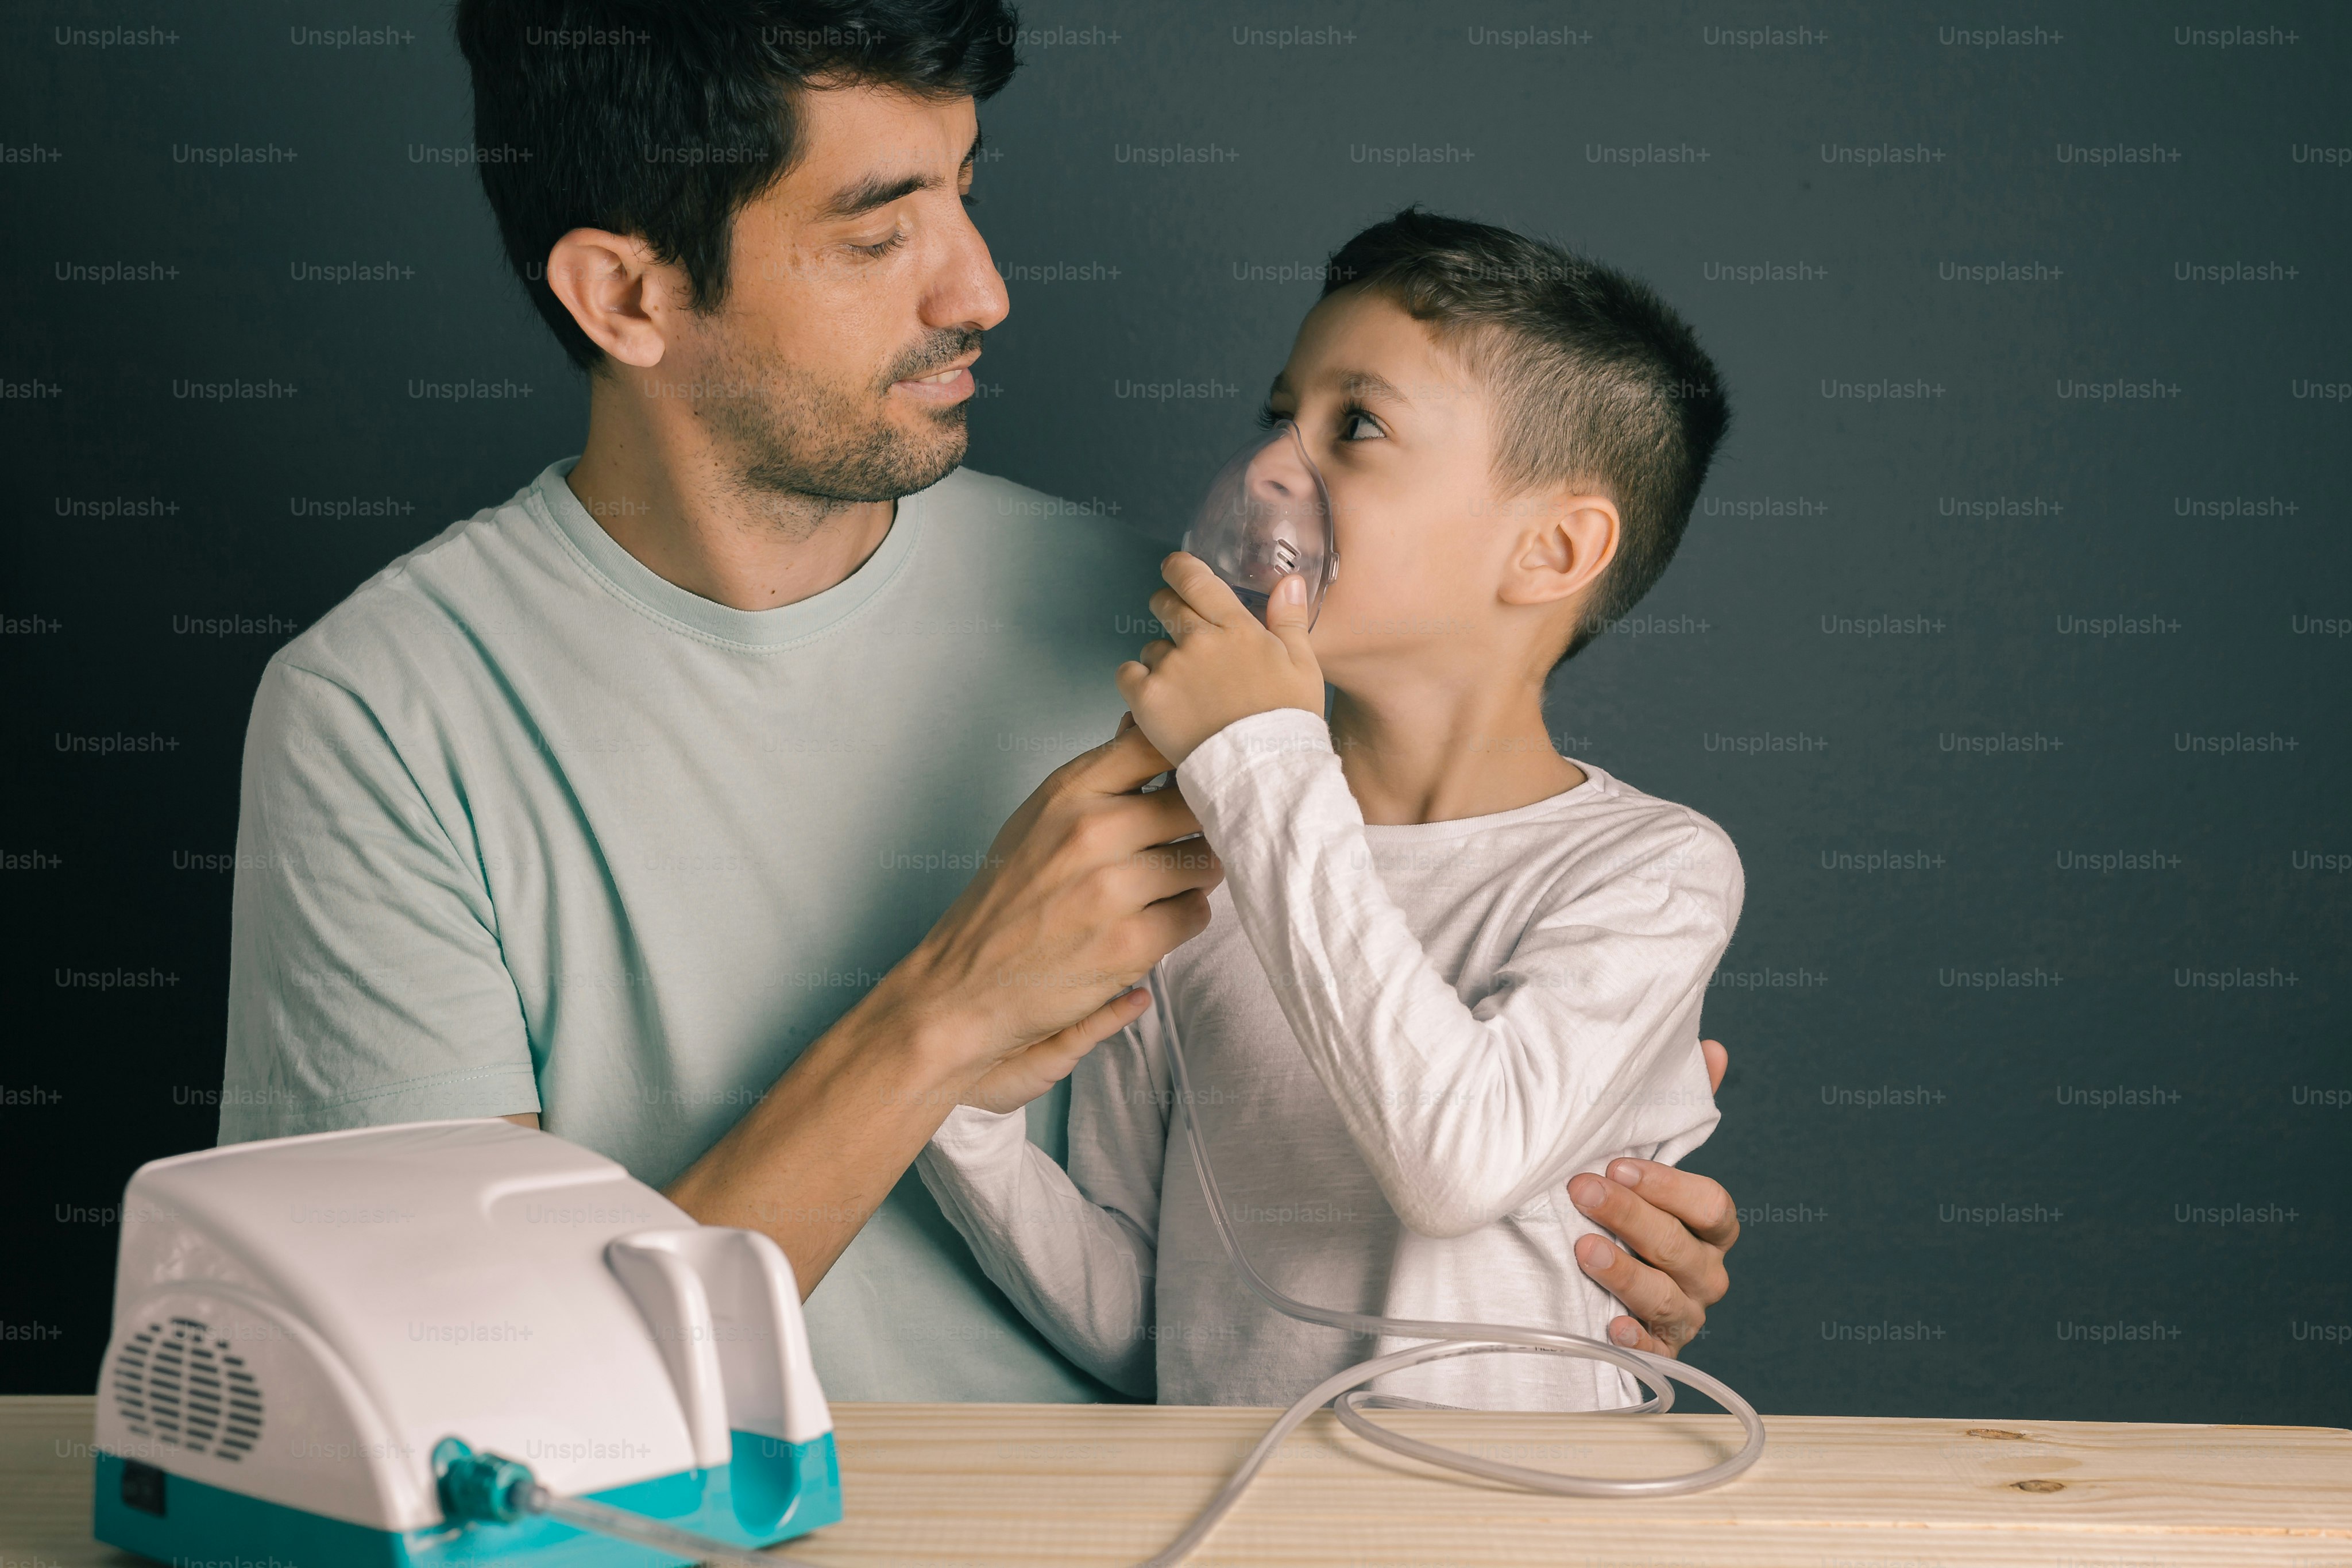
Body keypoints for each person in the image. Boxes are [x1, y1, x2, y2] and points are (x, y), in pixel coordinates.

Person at [217, 0, 1743, 1403]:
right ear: (626, 292)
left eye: (968, 187)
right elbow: (458, 1415)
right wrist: (939, 1019)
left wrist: (1554, 1261)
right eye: (881, 236)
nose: (988, 290)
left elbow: (1383, 1157)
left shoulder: (1188, 647)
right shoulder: (385, 720)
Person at [918, 211, 1737, 1409]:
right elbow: (1144, 1329)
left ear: (1554, 548)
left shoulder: (1649, 871)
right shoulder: (1196, 859)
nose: (1266, 470)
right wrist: (956, 1109)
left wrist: (1257, 752)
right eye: (1275, 417)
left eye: (1354, 425)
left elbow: (1456, 1163)